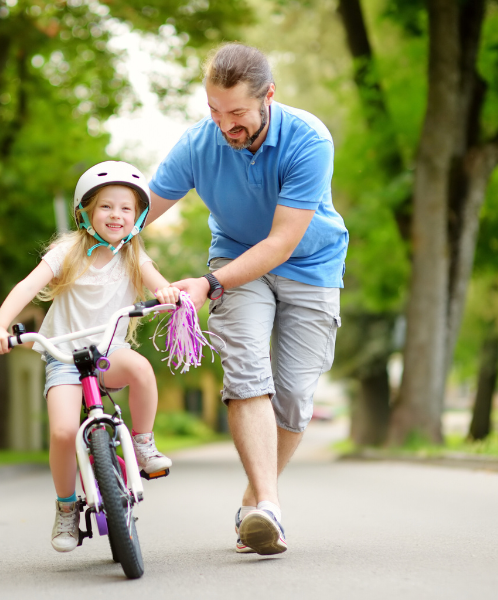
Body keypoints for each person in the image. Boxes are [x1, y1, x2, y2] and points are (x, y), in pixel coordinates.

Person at [147, 43, 348, 555]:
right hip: (236, 264)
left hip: (310, 265)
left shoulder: (308, 139)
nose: (224, 125)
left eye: (236, 113)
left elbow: (282, 242)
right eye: (214, 110)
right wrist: (91, 233)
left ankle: (255, 502)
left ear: (268, 98)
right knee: (247, 373)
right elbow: (140, 210)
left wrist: (207, 287)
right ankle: (268, 510)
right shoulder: (199, 143)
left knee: (296, 396)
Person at [0, 161, 180, 553]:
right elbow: (26, 287)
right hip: (64, 357)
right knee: (61, 432)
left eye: (126, 208)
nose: (116, 215)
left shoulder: (133, 254)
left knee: (141, 369)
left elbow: (160, 285)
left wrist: (168, 294)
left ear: (138, 216)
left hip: (110, 352)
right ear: (86, 211)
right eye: (107, 206)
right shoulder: (67, 251)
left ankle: (142, 443)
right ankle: (66, 507)